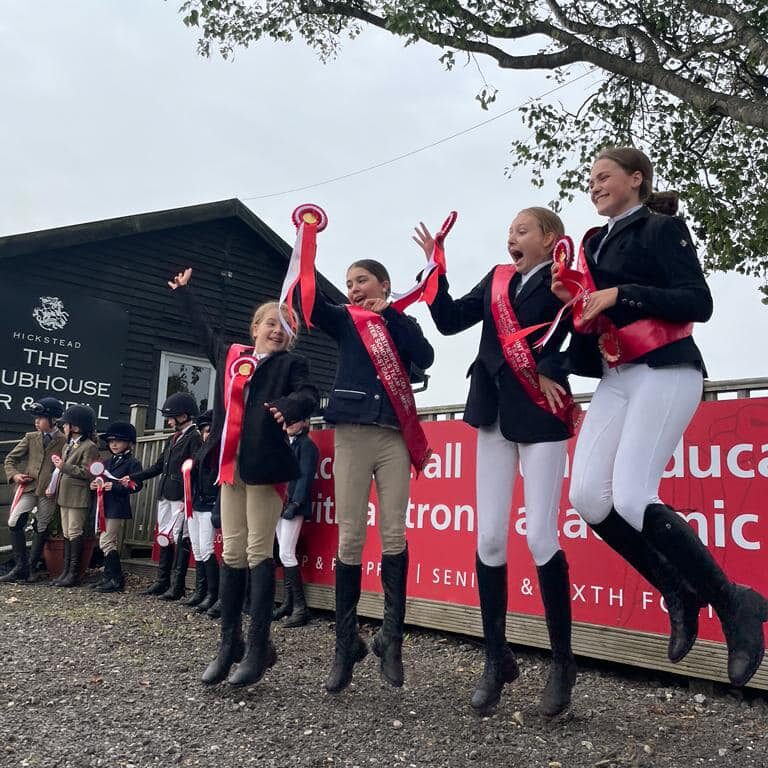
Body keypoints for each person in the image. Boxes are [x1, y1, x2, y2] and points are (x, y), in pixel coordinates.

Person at [554, 146, 768, 687]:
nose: (594, 185)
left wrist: (620, 292)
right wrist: (573, 311)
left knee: (631, 495)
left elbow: (698, 302)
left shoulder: (660, 228)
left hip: (668, 368)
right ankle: (676, 587)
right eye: (591, 179)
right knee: (587, 497)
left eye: (603, 177)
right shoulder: (593, 242)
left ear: (636, 179)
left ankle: (732, 601)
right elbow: (595, 321)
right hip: (617, 377)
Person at [414, 208, 578, 716]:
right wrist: (434, 269)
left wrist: (551, 367)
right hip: (492, 412)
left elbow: (576, 331)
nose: (511, 238)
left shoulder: (565, 276)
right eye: (508, 231)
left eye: (522, 230)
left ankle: (561, 662)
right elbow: (448, 321)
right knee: (487, 538)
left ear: (550, 239)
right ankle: (496, 656)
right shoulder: (498, 279)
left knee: (540, 537)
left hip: (541, 411)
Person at [169, 268, 319, 688]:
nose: (278, 329)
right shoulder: (231, 356)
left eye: (286, 326)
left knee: (258, 551)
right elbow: (204, 332)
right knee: (230, 550)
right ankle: (228, 643)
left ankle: (258, 646)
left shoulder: (292, 363)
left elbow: (309, 394)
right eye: (271, 322)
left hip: (266, 467)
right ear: (255, 328)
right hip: (228, 466)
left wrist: (288, 407)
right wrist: (185, 294)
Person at [308, 259, 435, 693]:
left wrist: (392, 314)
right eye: (348, 284)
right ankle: (346, 644)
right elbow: (309, 304)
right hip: (352, 433)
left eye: (361, 280)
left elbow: (426, 355)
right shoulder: (345, 320)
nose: (354, 289)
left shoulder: (401, 320)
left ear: (384, 282)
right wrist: (308, 247)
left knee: (395, 532)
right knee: (350, 536)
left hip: (394, 437)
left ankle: (391, 638)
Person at [124, 392, 201, 599]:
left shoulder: (194, 437)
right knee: (164, 537)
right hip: (165, 492)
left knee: (180, 537)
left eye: (171, 417)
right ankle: (162, 581)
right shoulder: (172, 438)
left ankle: (177, 586)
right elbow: (159, 466)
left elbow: (194, 468)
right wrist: (134, 476)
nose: (168, 421)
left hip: (180, 494)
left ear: (184, 416)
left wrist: (189, 496)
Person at [2, 397, 66, 583]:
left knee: (42, 525)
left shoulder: (64, 441)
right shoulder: (30, 437)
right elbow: (10, 460)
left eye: (40, 418)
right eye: (35, 418)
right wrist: (15, 475)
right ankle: (20, 566)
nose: (36, 422)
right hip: (29, 487)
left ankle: (31, 568)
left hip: (49, 491)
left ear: (54, 419)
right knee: (14, 521)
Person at [272, 418, 319, 628]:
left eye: (294, 421)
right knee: (282, 551)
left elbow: (305, 477)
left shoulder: (307, 446)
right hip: (279, 503)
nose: (289, 424)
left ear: (303, 422)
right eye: (287, 421)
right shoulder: (284, 442)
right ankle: (288, 602)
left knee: (286, 552)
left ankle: (300, 608)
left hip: (294, 505)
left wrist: (296, 502)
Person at [89, 422, 144, 593]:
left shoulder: (133, 463)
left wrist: (116, 487)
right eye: (111, 441)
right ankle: (108, 577)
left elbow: (137, 485)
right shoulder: (106, 462)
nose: (114, 444)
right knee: (104, 541)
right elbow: (101, 480)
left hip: (117, 506)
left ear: (129, 443)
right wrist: (95, 485)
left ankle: (117, 579)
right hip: (103, 505)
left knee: (107, 541)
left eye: (119, 441)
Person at [51, 404, 100, 588]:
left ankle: (73, 573)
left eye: (66, 424)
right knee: (66, 532)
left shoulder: (90, 447)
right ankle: (65, 570)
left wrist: (64, 467)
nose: (64, 427)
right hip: (65, 494)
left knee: (74, 532)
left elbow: (87, 472)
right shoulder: (68, 445)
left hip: (78, 495)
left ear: (76, 428)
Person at [180, 409, 221, 614]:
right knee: (196, 548)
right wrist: (185, 499)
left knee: (206, 548)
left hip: (210, 505)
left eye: (210, 430)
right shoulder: (199, 453)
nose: (206, 434)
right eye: (204, 431)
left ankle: (212, 593)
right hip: (194, 504)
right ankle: (201, 590)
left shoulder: (219, 456)